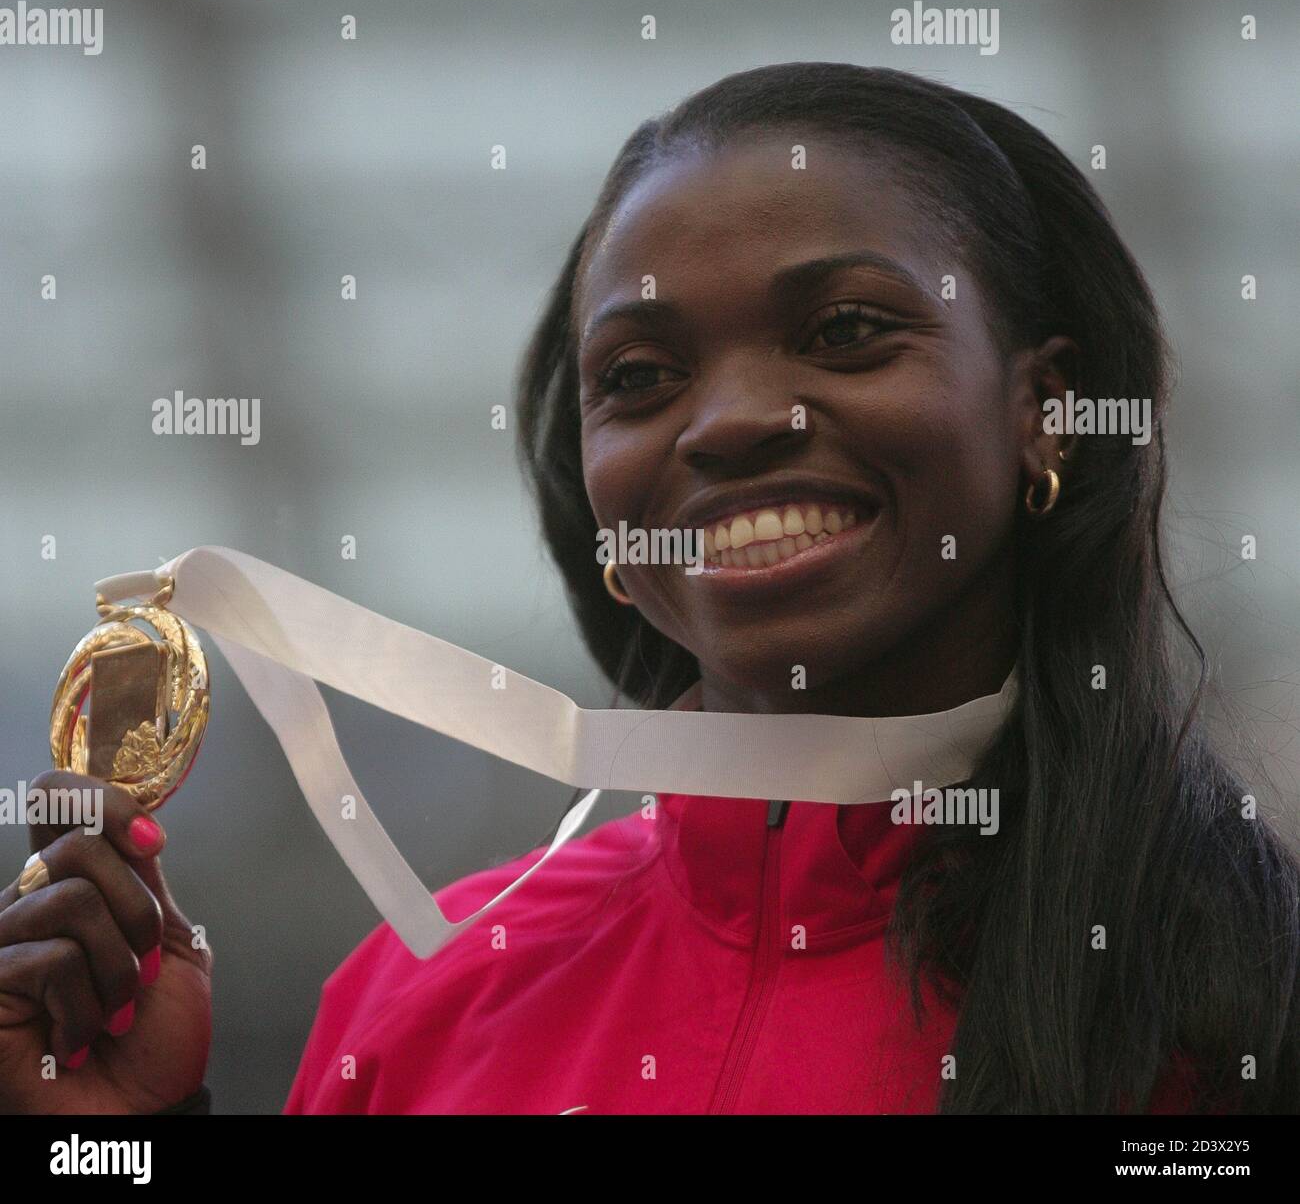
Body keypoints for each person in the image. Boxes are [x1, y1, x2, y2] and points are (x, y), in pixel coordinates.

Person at [2, 63, 1296, 1115]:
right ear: (600, 507)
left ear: (1046, 411)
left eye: (845, 329)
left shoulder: (1247, 997)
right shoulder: (420, 991)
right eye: (638, 375)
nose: (728, 423)